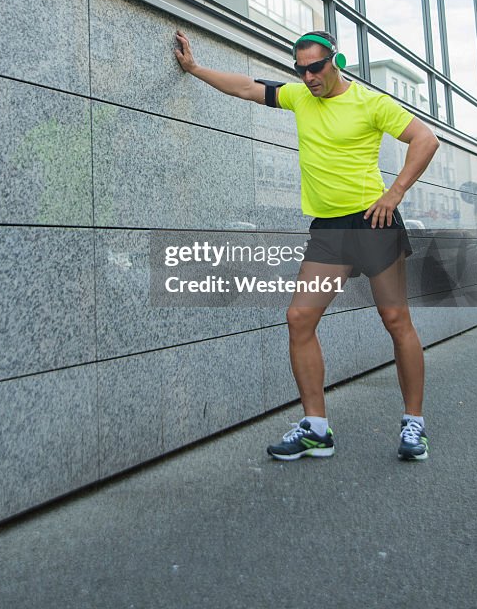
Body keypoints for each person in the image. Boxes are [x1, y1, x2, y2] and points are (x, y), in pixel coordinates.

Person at [173, 28, 440, 463]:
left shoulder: (371, 103)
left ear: (335, 61)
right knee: (299, 318)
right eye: (301, 69)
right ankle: (316, 428)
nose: (309, 76)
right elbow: (245, 87)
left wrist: (394, 195)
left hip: (373, 222)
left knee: (395, 319)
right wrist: (196, 68)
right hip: (330, 230)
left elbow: (425, 140)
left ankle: (414, 424)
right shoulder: (300, 98)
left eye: (315, 67)